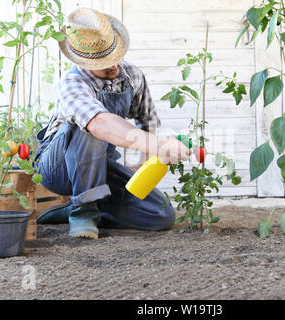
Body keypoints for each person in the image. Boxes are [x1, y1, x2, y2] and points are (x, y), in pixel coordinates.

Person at [33, 8, 191, 239]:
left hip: (100, 164)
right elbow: (100, 124)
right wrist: (157, 145)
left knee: (160, 214)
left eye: (114, 55)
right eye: (103, 61)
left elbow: (148, 122)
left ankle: (88, 208)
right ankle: (82, 212)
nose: (113, 64)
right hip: (57, 169)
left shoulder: (132, 76)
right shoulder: (72, 83)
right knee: (87, 127)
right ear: (83, 61)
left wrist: (144, 166)